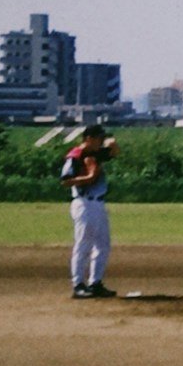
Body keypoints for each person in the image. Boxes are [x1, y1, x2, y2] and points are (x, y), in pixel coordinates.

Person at [61, 125, 118, 300]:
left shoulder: (95, 154)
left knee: (103, 244)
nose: (101, 141)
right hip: (84, 203)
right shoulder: (76, 155)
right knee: (83, 244)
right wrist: (88, 178)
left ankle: (95, 283)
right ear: (88, 138)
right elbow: (65, 180)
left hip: (98, 204)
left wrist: (109, 142)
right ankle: (78, 285)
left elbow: (114, 149)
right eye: (99, 138)